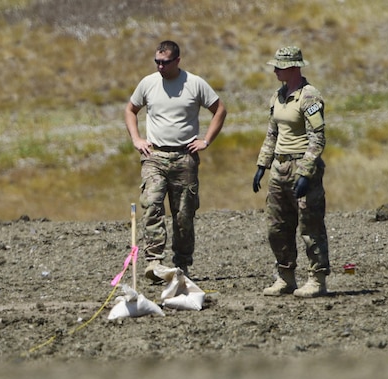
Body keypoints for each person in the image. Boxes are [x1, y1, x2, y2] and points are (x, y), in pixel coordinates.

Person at [125, 40, 227, 281]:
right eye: (157, 62)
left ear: (177, 61)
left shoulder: (194, 83)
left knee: (183, 215)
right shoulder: (148, 83)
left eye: (165, 62)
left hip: (185, 157)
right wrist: (137, 139)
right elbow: (131, 110)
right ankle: (154, 261)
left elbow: (220, 110)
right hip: (155, 155)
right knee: (151, 204)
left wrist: (206, 140)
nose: (160, 66)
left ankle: (182, 265)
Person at [252, 47, 329, 298]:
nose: (274, 70)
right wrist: (262, 165)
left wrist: (306, 172)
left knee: (309, 225)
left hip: (300, 165)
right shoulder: (278, 96)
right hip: (279, 167)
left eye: (279, 66)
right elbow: (272, 133)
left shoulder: (309, 97)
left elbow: (317, 137)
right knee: (277, 226)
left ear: (294, 67)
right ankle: (285, 276)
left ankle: (317, 279)